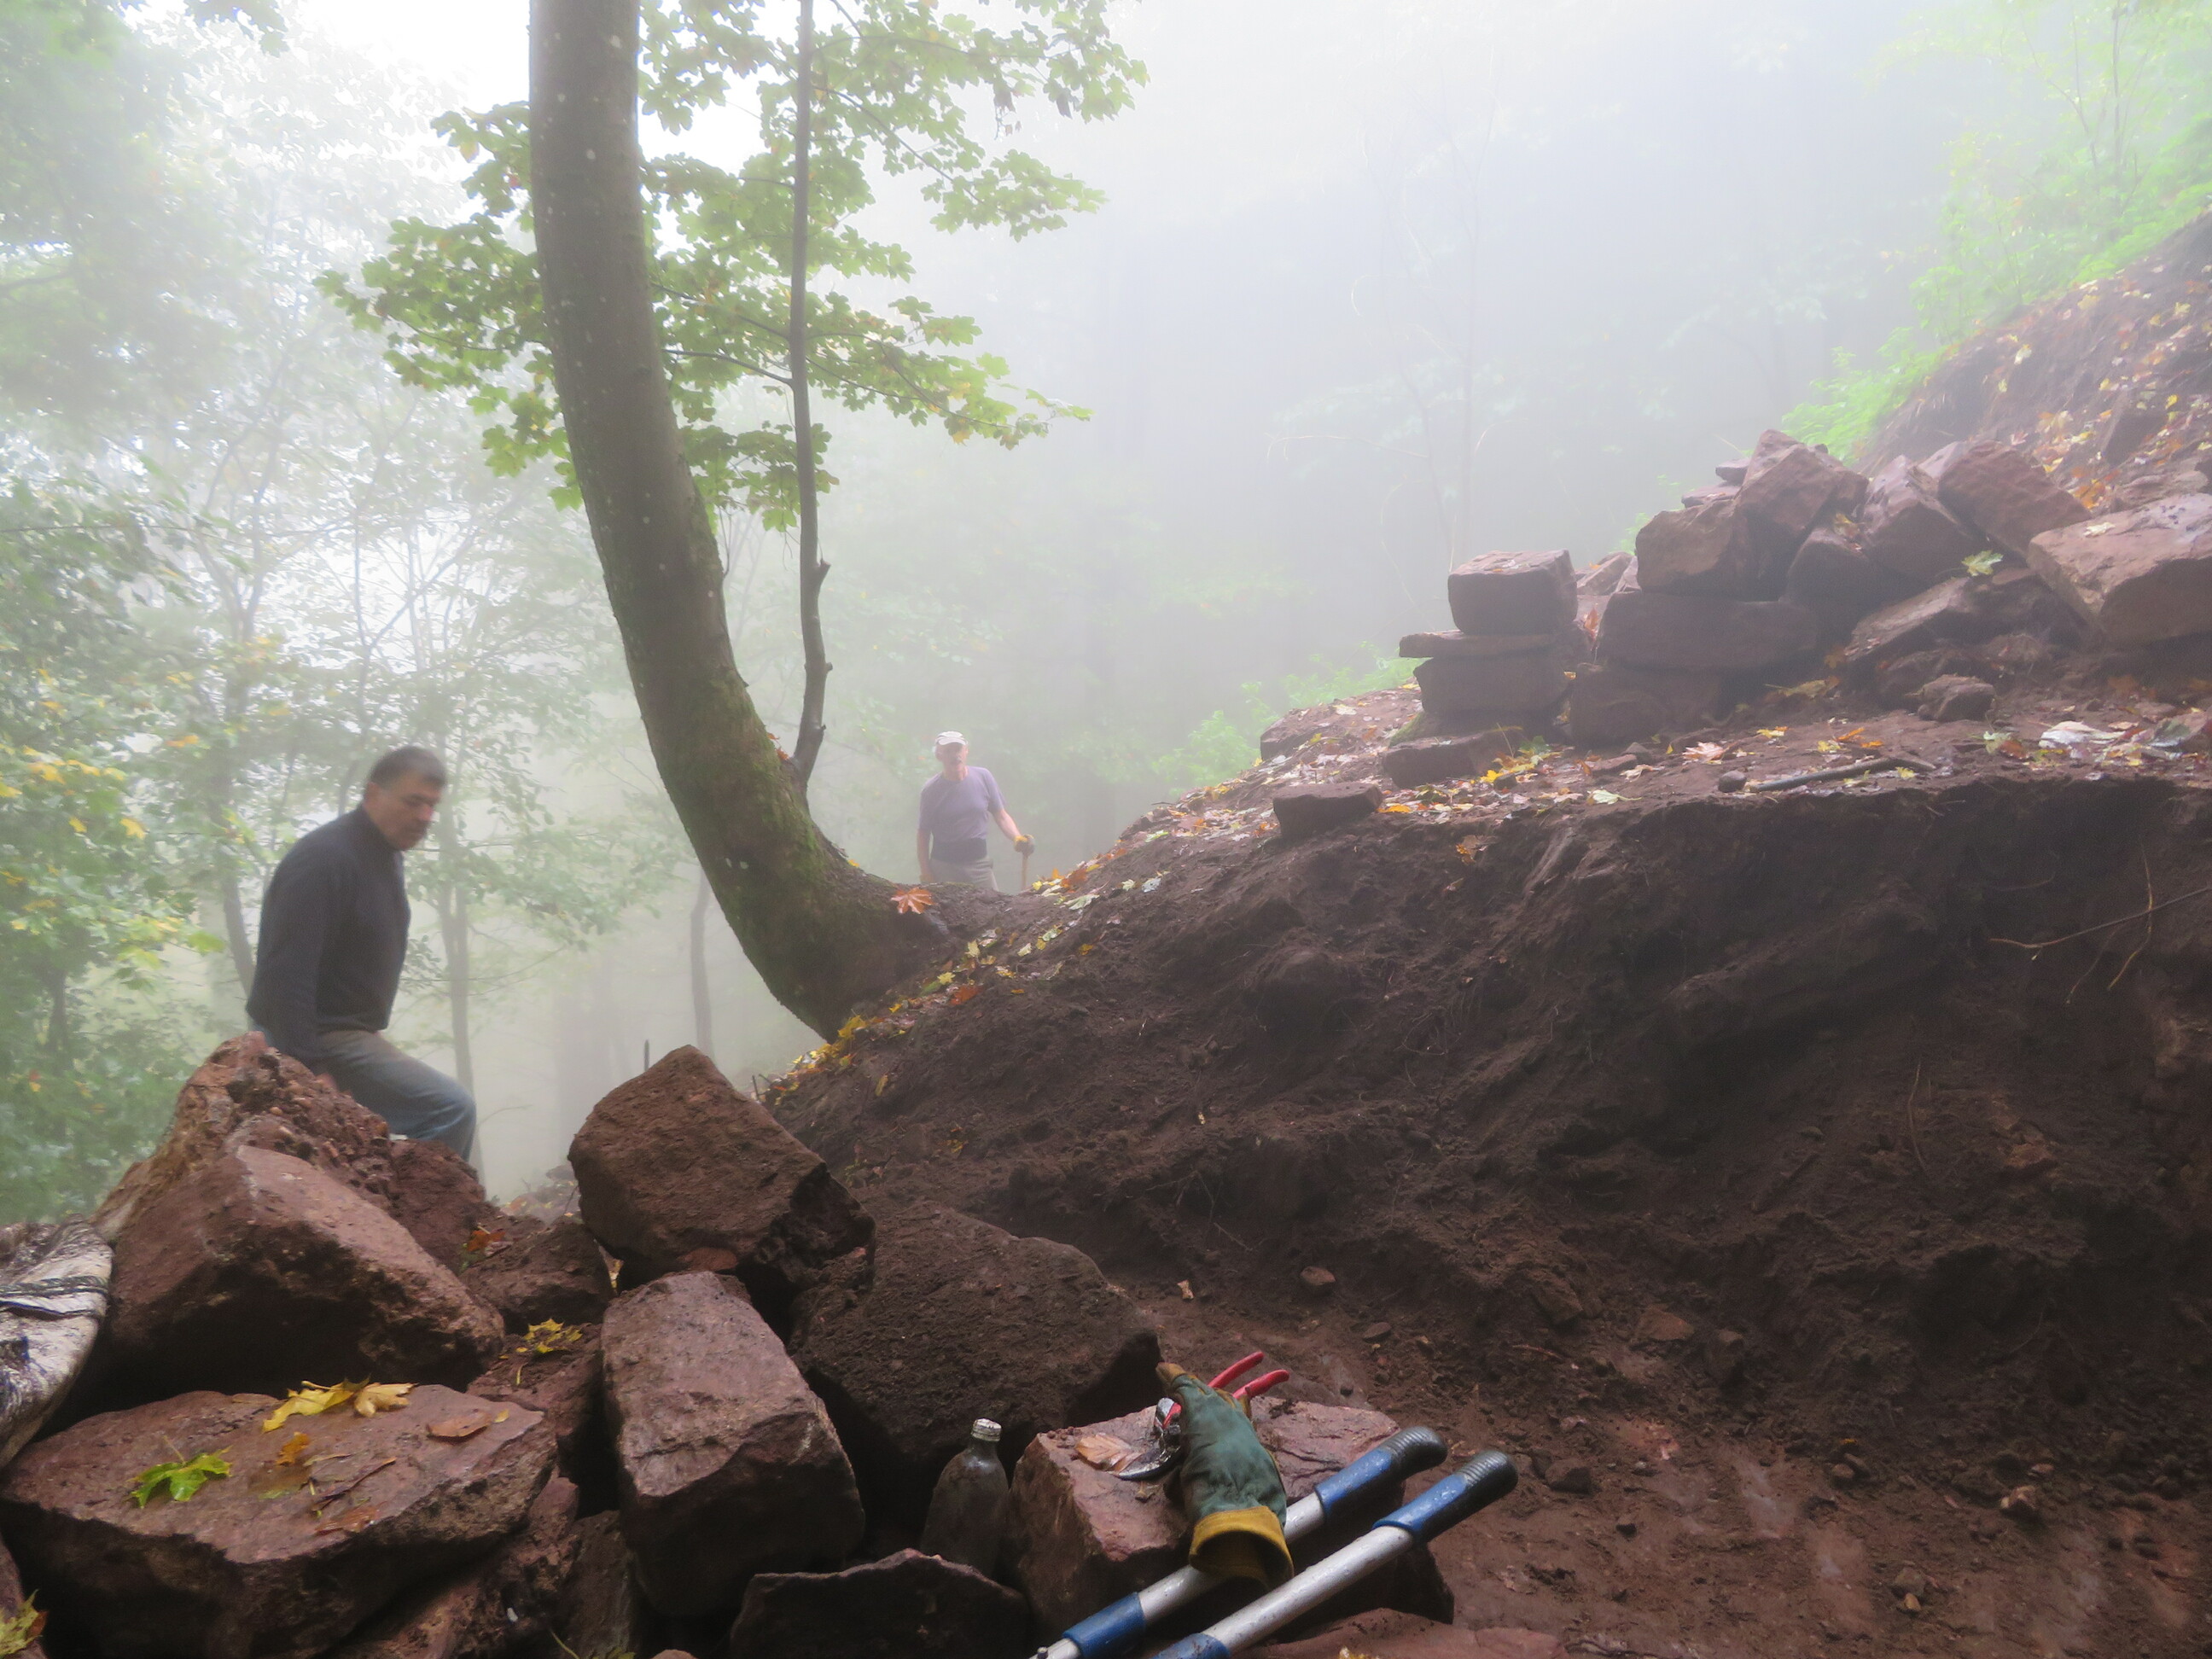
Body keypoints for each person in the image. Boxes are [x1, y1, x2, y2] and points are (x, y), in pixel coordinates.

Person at [246, 746, 477, 1158]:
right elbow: (284, 975)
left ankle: (396, 1191)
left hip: (346, 1032)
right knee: (449, 1108)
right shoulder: (324, 859)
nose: (425, 816)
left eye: (432, 806)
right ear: (373, 794)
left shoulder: (382, 855)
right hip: (314, 1035)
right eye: (413, 802)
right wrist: (311, 1069)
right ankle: (421, 1201)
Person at [917, 731, 1030, 891]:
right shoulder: (931, 790)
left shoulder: (983, 777)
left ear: (966, 751)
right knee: (950, 907)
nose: (954, 755)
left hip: (979, 865)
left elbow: (1001, 816)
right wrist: (926, 873)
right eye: (948, 751)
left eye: (958, 749)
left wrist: (1017, 838)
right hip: (944, 867)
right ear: (939, 756)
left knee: (993, 904)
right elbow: (923, 833)